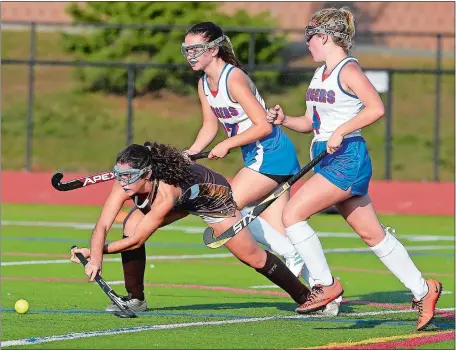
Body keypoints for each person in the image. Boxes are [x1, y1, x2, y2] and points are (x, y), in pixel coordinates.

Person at [266, 7, 441, 330]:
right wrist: (284, 120)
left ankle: (325, 284)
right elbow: (311, 124)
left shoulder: (348, 70)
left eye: (310, 36)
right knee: (371, 234)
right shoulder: (319, 74)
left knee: (291, 215)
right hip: (328, 152)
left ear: (325, 37)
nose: (307, 43)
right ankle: (423, 289)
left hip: (347, 156)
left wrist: (342, 131)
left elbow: (376, 108)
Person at [70, 142, 311, 313]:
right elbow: (102, 224)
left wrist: (95, 252)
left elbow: (137, 241)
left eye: (129, 176)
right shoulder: (123, 184)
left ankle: (307, 297)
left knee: (253, 257)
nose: (122, 182)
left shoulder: (166, 193)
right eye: (119, 175)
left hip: (211, 198)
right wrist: (97, 259)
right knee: (131, 222)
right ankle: (136, 299)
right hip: (183, 199)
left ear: (148, 174)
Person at [181, 21, 307, 278]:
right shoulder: (204, 83)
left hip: (271, 153)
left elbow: (264, 126)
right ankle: (326, 293)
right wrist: (190, 153)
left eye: (196, 49)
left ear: (213, 50)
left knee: (222, 205)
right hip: (257, 156)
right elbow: (209, 126)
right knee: (283, 239)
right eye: (186, 49)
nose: (189, 55)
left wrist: (227, 143)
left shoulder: (234, 78)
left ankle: (294, 257)